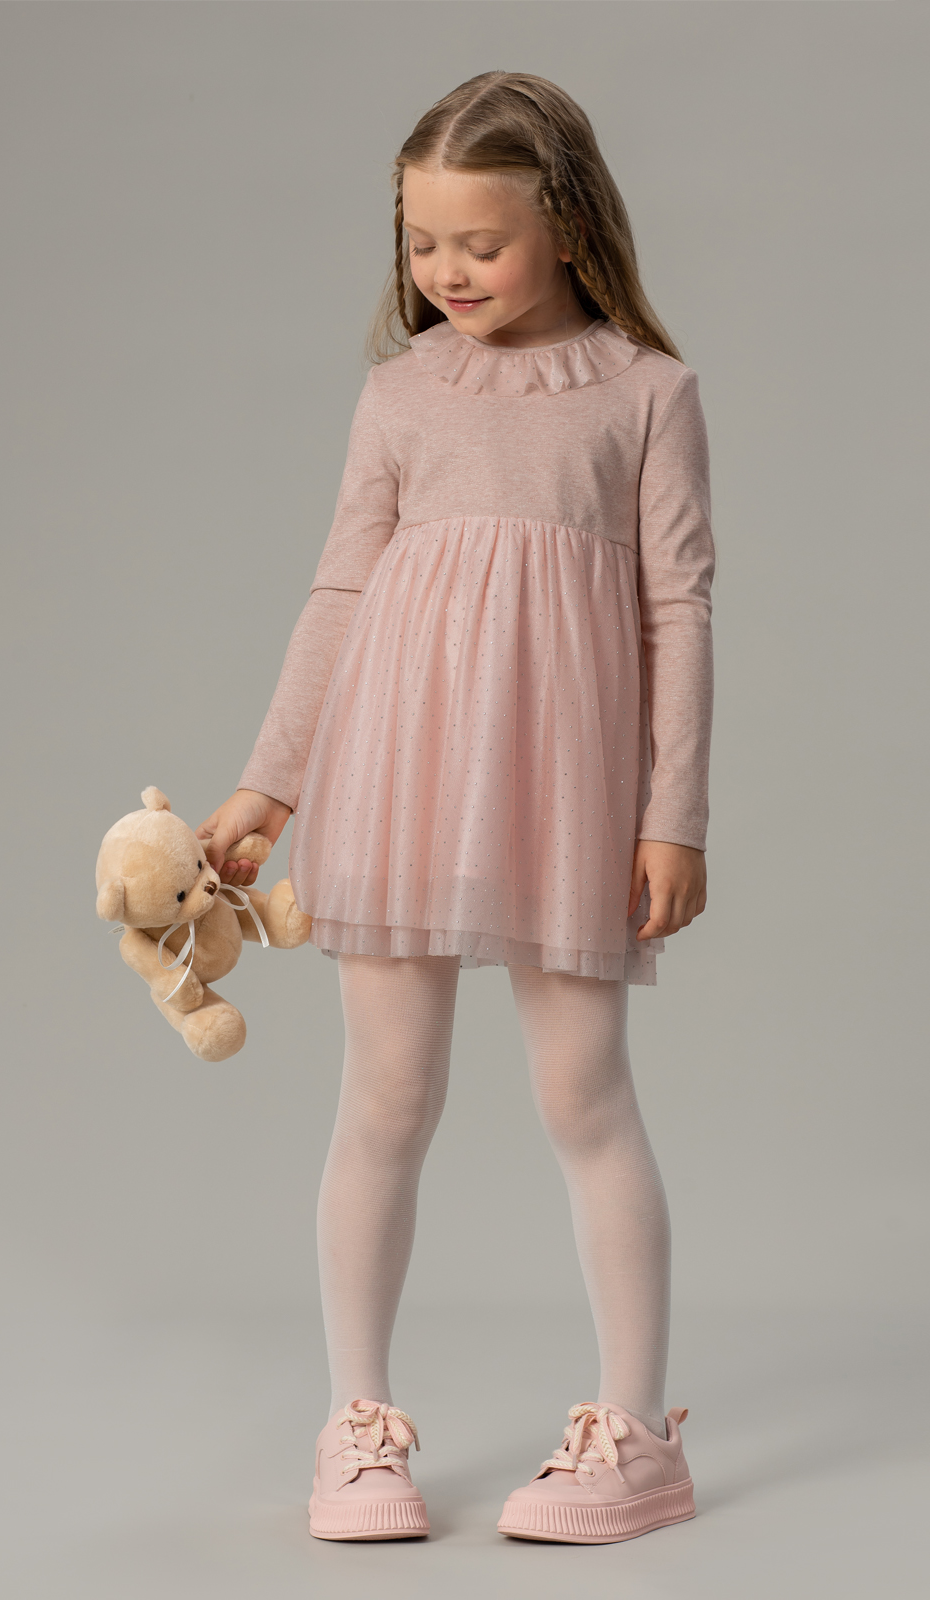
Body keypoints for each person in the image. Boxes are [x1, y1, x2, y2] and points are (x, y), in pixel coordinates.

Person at [197, 70, 713, 1546]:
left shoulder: (647, 393)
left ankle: (634, 1433)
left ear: (567, 226)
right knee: (386, 1098)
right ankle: (357, 1421)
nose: (447, 271)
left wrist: (673, 813)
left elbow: (678, 609)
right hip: (396, 769)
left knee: (584, 1095)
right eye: (423, 242)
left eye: (480, 243)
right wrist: (271, 781)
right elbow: (341, 590)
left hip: (567, 787)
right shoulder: (400, 393)